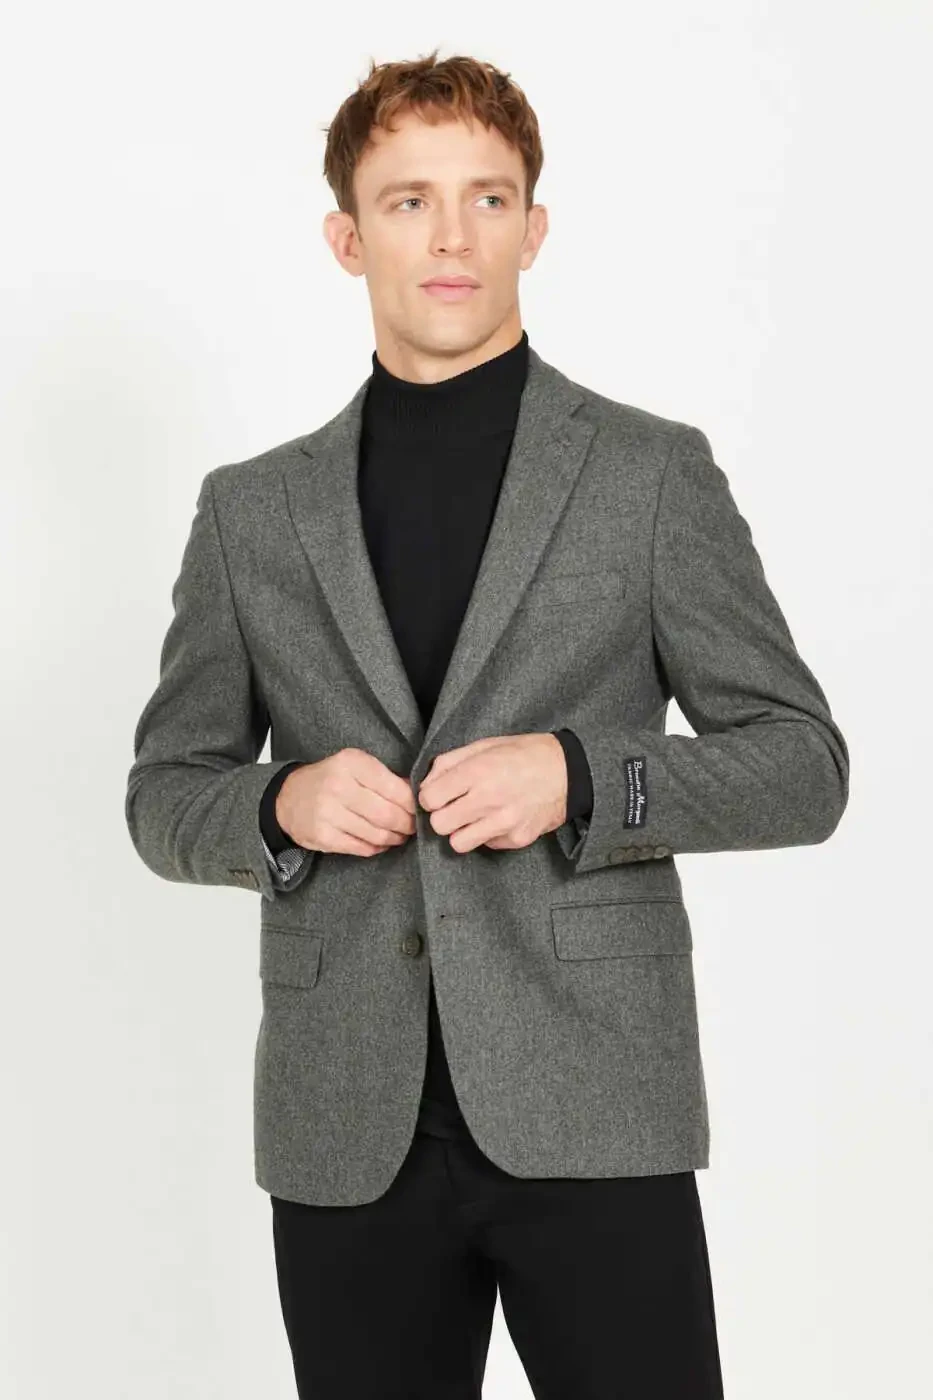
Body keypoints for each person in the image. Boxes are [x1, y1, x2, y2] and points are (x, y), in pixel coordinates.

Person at [125, 48, 849, 1400]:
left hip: (598, 1098)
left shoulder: (649, 476)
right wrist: (278, 804)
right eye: (409, 201)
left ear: (535, 226)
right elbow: (166, 792)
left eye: (488, 198)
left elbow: (802, 767)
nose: (452, 236)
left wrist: (581, 776)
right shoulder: (251, 513)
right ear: (348, 238)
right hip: (347, 1120)